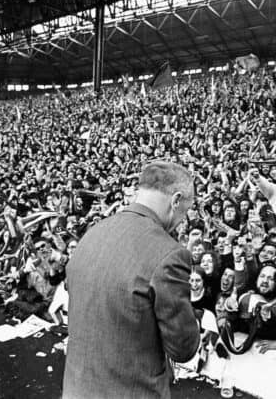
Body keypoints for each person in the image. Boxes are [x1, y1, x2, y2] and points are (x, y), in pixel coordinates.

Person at [63, 161, 200, 399]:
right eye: (185, 211)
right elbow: (183, 348)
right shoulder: (170, 254)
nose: (182, 221)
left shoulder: (93, 233)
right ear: (176, 200)